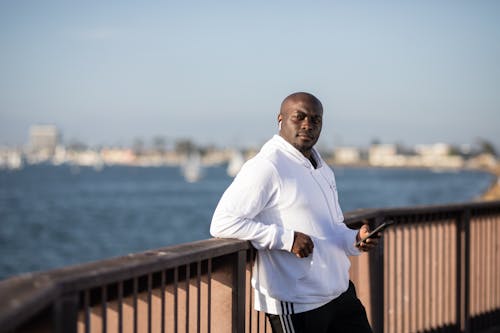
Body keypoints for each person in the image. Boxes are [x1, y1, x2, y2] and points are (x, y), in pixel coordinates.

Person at [210, 92, 379, 333]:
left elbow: (333, 227)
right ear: (280, 119)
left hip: (340, 293)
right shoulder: (266, 166)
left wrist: (355, 240)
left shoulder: (322, 168)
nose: (308, 125)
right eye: (298, 117)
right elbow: (223, 223)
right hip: (296, 302)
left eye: (315, 119)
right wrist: (287, 239)